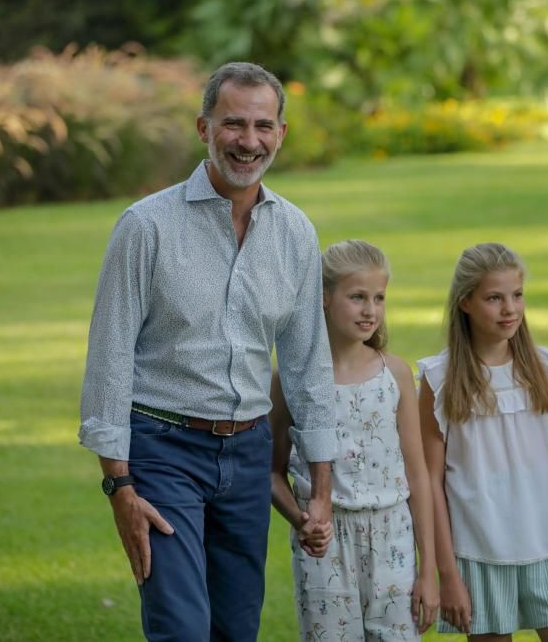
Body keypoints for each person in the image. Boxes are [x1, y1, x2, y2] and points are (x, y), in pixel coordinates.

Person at [78, 62, 336, 642]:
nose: (249, 141)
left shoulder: (295, 233)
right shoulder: (146, 226)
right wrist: (119, 486)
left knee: (235, 630)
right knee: (182, 629)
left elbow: (307, 364)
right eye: (233, 124)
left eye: (263, 126)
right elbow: (110, 357)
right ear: (204, 128)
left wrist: (321, 489)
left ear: (281, 133)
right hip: (163, 450)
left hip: (249, 456)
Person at [419, 243, 548, 642]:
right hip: (480, 553)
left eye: (517, 295)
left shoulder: (541, 368)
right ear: (465, 302)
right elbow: (430, 482)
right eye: (494, 298)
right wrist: (447, 574)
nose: (509, 309)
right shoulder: (439, 379)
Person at [270, 239, 440, 641]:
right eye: (357, 297)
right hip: (325, 546)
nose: (370, 310)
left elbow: (417, 476)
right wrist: (302, 521)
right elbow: (270, 472)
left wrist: (428, 571)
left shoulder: (395, 374)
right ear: (324, 297)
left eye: (379, 298)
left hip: (392, 537)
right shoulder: (291, 378)